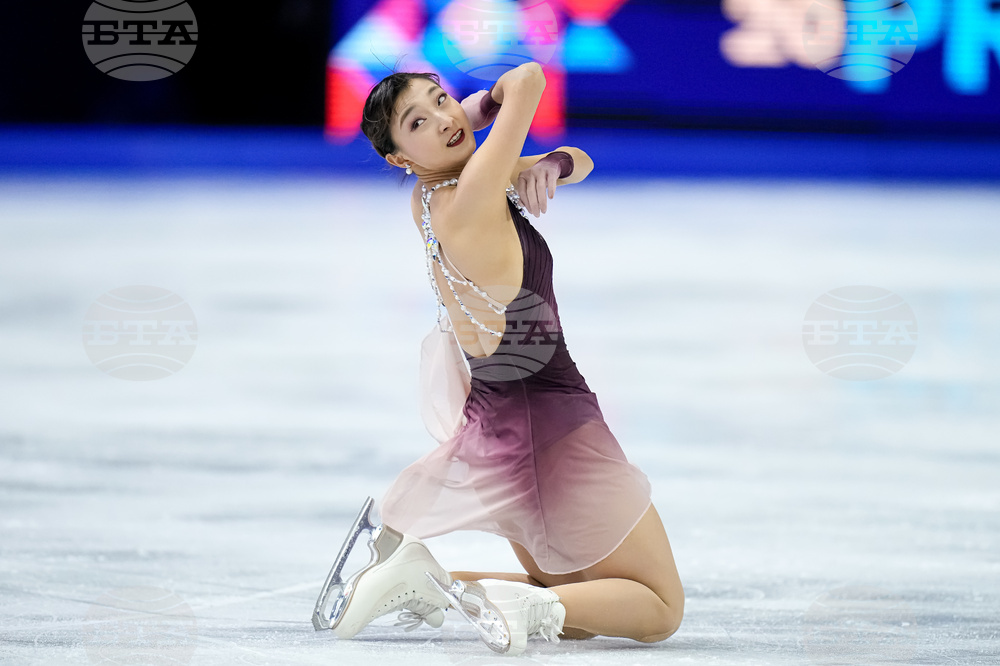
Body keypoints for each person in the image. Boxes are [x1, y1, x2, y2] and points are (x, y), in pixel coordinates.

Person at [313, 62, 684, 655]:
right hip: (552, 419)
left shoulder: (432, 193)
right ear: (398, 157)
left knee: (583, 604)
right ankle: (521, 605)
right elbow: (531, 78)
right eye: (419, 121)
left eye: (441, 100)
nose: (442, 118)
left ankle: (429, 580)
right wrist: (484, 109)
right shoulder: (479, 187)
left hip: (498, 424)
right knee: (659, 608)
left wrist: (550, 165)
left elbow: (579, 161)